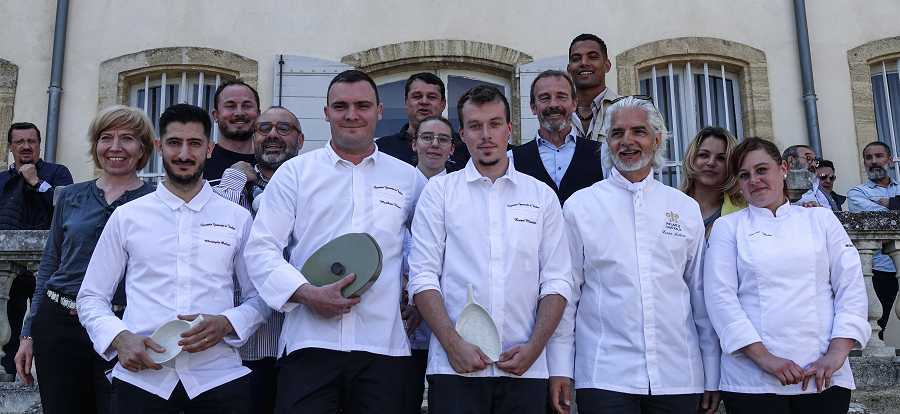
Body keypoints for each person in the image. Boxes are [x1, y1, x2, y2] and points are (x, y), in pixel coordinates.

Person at [244, 70, 426, 414]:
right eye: (341, 106)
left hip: (383, 348)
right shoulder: (295, 174)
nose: (352, 114)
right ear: (326, 113)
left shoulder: (408, 177)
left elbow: (429, 249)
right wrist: (307, 294)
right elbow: (261, 249)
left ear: (379, 111)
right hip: (309, 344)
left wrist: (418, 300)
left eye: (362, 105)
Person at [77, 103, 269, 413]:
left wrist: (226, 323)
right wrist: (120, 338)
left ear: (209, 148)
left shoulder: (237, 217)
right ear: (158, 147)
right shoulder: (127, 217)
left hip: (218, 377)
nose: (183, 154)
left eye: (194, 143)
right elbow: (90, 297)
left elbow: (260, 297)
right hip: (142, 378)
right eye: (174, 143)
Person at [408, 85, 572, 414]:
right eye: (475, 126)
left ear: (510, 129)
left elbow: (556, 282)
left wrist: (536, 348)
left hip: (524, 366)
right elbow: (423, 277)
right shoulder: (439, 193)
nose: (486, 135)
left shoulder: (541, 196)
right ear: (462, 133)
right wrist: (453, 345)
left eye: (495, 124)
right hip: (455, 367)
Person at [551, 96, 720, 414]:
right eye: (617, 133)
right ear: (607, 142)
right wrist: (560, 365)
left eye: (638, 131)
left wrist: (712, 371)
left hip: (678, 373)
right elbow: (567, 292)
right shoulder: (580, 206)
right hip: (604, 374)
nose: (627, 141)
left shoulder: (683, 208)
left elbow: (701, 295)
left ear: (656, 140)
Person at [705, 137, 870, 414]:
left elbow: (850, 287)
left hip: (824, 375)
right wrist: (766, 359)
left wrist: (836, 354)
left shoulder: (821, 220)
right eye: (744, 175)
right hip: (752, 377)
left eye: (761, 170)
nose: (754, 180)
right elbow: (720, 298)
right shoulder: (727, 227)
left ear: (783, 168)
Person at [13, 106, 154, 414]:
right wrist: (28, 334)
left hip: (122, 326)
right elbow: (50, 266)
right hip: (60, 323)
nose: (115, 147)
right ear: (96, 146)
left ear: (142, 148)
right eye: (106, 138)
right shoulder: (70, 196)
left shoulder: (157, 202)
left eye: (127, 138)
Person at [213, 106, 303, 414]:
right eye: (264, 129)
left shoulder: (316, 189)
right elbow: (216, 238)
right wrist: (236, 178)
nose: (273, 135)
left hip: (300, 340)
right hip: (246, 343)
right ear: (253, 140)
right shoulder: (227, 189)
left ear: (301, 140)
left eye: (284, 128)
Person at [1, 122, 75, 375]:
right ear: (10, 146)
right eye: (19, 141)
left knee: (47, 325)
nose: (25, 146)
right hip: (8, 267)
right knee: (8, 325)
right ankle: (10, 376)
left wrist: (35, 181)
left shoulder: (57, 173)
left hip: (50, 264)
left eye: (31, 141)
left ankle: (48, 379)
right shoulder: (1, 180)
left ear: (39, 145)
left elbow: (66, 211)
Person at [398, 115, 456, 414]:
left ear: (452, 149)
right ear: (414, 144)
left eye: (443, 139)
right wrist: (405, 289)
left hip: (448, 315)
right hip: (402, 316)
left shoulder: (461, 191)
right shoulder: (396, 186)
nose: (434, 144)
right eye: (427, 137)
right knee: (403, 400)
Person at [509, 70, 603, 206]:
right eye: (544, 98)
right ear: (533, 107)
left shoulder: (602, 155)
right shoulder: (511, 161)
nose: (553, 104)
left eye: (562, 97)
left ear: (574, 105)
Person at [848, 141, 900, 341]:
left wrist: (893, 203)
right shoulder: (857, 193)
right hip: (880, 267)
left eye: (879, 156)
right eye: (869, 158)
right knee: (878, 323)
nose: (874, 161)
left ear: (890, 160)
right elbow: (880, 218)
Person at [377, 72, 468, 170]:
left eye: (432, 97)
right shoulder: (383, 148)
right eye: (417, 96)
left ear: (443, 104)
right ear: (406, 102)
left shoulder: (464, 146)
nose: (424, 101)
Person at [567, 34, 620, 180]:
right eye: (576, 59)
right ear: (568, 69)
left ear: (607, 65)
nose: (584, 63)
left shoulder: (624, 110)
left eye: (592, 57)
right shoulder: (558, 114)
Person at [679, 126, 746, 239]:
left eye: (721, 158)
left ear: (730, 165)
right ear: (691, 159)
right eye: (703, 155)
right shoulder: (670, 205)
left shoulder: (746, 209)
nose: (711, 163)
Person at [204, 79, 261, 180]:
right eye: (230, 106)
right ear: (215, 115)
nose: (239, 113)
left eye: (247, 106)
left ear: (258, 115)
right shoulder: (198, 164)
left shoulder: (271, 165)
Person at [788, 144, 837, 209]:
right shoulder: (780, 190)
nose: (814, 164)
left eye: (815, 160)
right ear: (791, 161)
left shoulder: (820, 190)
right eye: (808, 158)